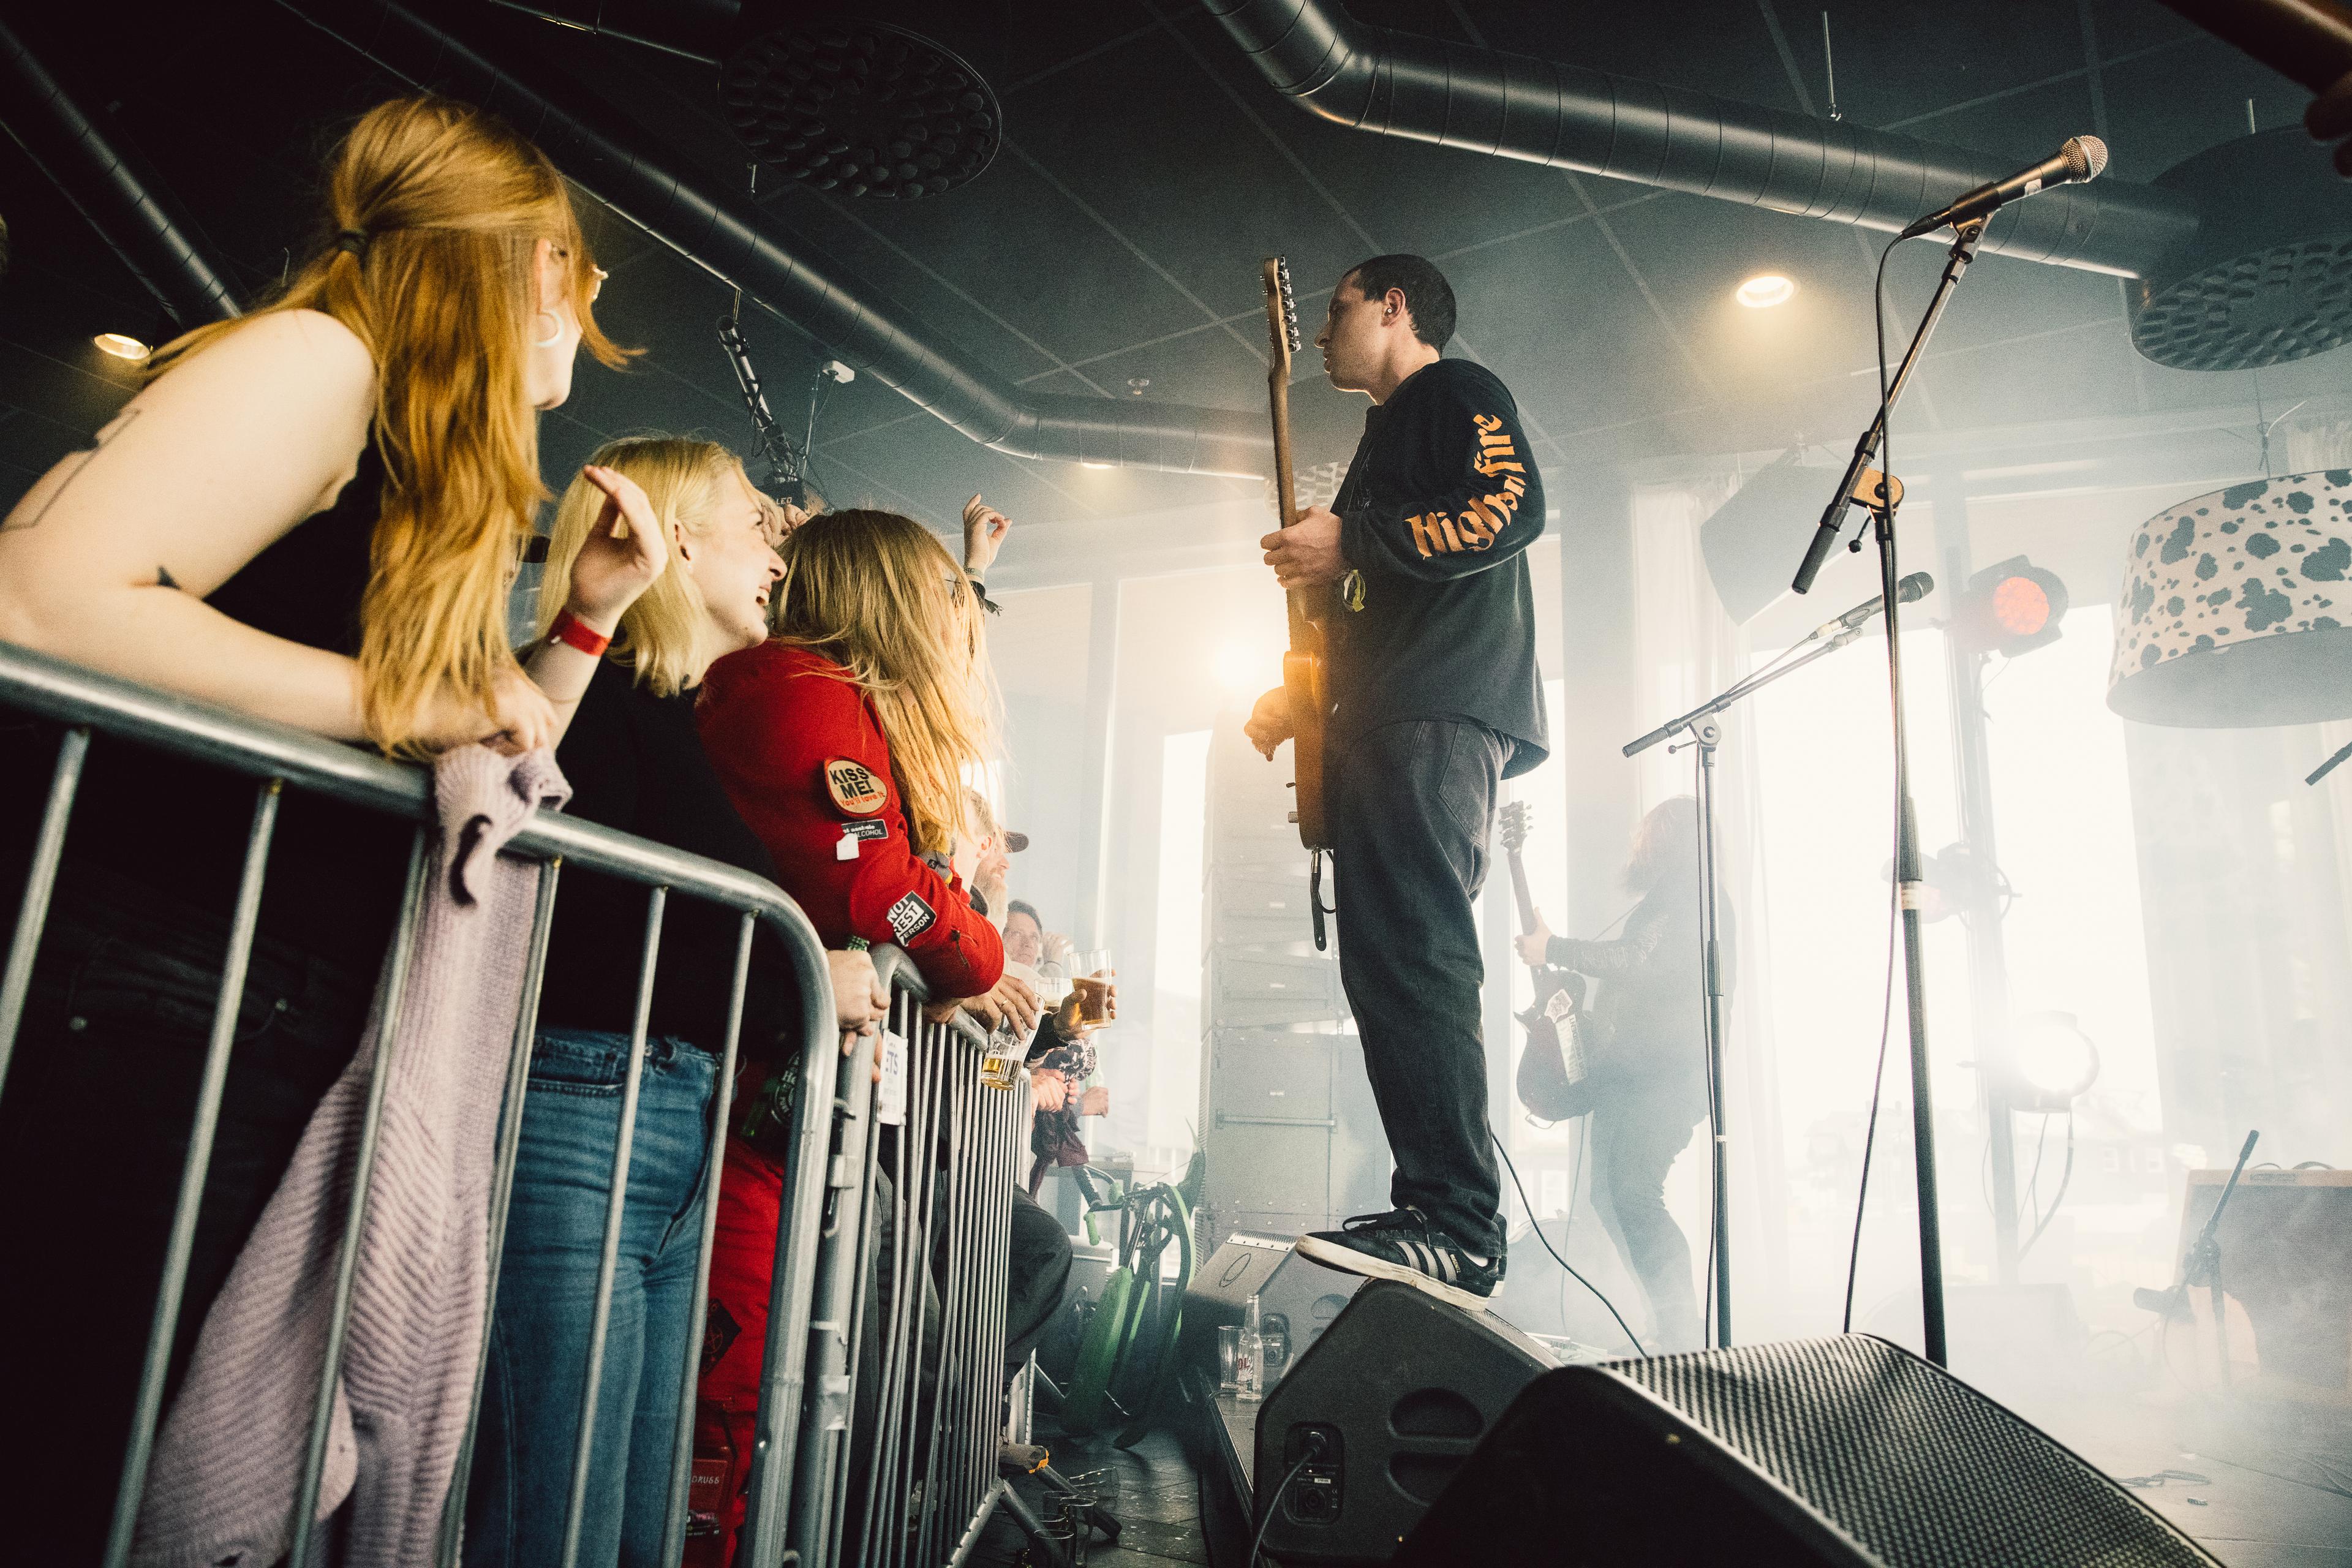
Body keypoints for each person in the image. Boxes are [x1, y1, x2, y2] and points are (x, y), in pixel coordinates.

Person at [0, 95, 641, 1552]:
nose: (589, 314)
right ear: (531, 265)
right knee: (67, 1458)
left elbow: (466, 733)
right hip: (156, 984)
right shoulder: (318, 356)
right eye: (587, 278)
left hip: (235, 1000)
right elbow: (36, 597)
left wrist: (580, 627)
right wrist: (392, 692)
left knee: (119, 1458)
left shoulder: (406, 454)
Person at [462, 437, 888, 1566]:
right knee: (559, 1520)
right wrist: (812, 974)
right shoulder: (589, 698)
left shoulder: (673, 716)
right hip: (585, 1114)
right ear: (678, 538)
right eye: (754, 521)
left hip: (663, 1121)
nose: (778, 552)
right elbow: (594, 937)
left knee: (635, 1517)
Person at [1245, 254, 1547, 1313]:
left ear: (1394, 307)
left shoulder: (1455, 393)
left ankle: (1459, 1222)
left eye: (1336, 313)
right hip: (1385, 717)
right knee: (1387, 967)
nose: (1323, 334)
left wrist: (1354, 539)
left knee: (1416, 953)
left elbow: (1510, 507)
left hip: (1436, 715)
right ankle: (1434, 1205)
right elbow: (1380, 599)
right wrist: (1306, 694)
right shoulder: (1383, 440)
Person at [1517, 797, 1724, 1352]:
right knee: (1608, 1199)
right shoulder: (1673, 900)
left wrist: (1555, 947)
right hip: (1632, 1078)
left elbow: (1640, 963)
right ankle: (1668, 1323)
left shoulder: (1693, 898)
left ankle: (1682, 1333)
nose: (1637, 848)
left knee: (1635, 1195)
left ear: (1668, 841)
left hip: (1665, 1081)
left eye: (1646, 838)